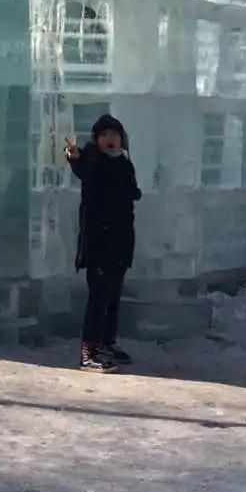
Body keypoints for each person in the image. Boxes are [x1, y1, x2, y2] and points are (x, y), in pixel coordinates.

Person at [65, 114, 141, 372]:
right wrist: (74, 157)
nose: (110, 139)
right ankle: (89, 352)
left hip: (120, 241)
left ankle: (107, 343)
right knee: (98, 297)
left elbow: (131, 193)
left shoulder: (124, 164)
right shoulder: (93, 159)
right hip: (98, 242)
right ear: (96, 139)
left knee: (113, 297)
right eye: (104, 135)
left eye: (114, 135)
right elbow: (83, 169)